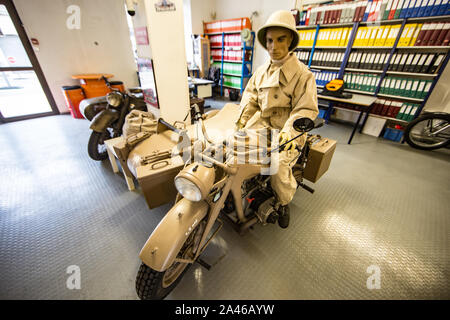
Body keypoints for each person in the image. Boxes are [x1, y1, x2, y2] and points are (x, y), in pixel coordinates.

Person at [235, 10, 319, 228]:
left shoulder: (303, 75)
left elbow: (305, 110)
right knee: (233, 146)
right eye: (270, 40)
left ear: (290, 40)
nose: (273, 46)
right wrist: (242, 121)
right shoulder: (261, 72)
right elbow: (250, 97)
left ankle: (283, 201)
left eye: (280, 39)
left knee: (277, 164)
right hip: (262, 125)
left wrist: (288, 134)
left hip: (288, 132)